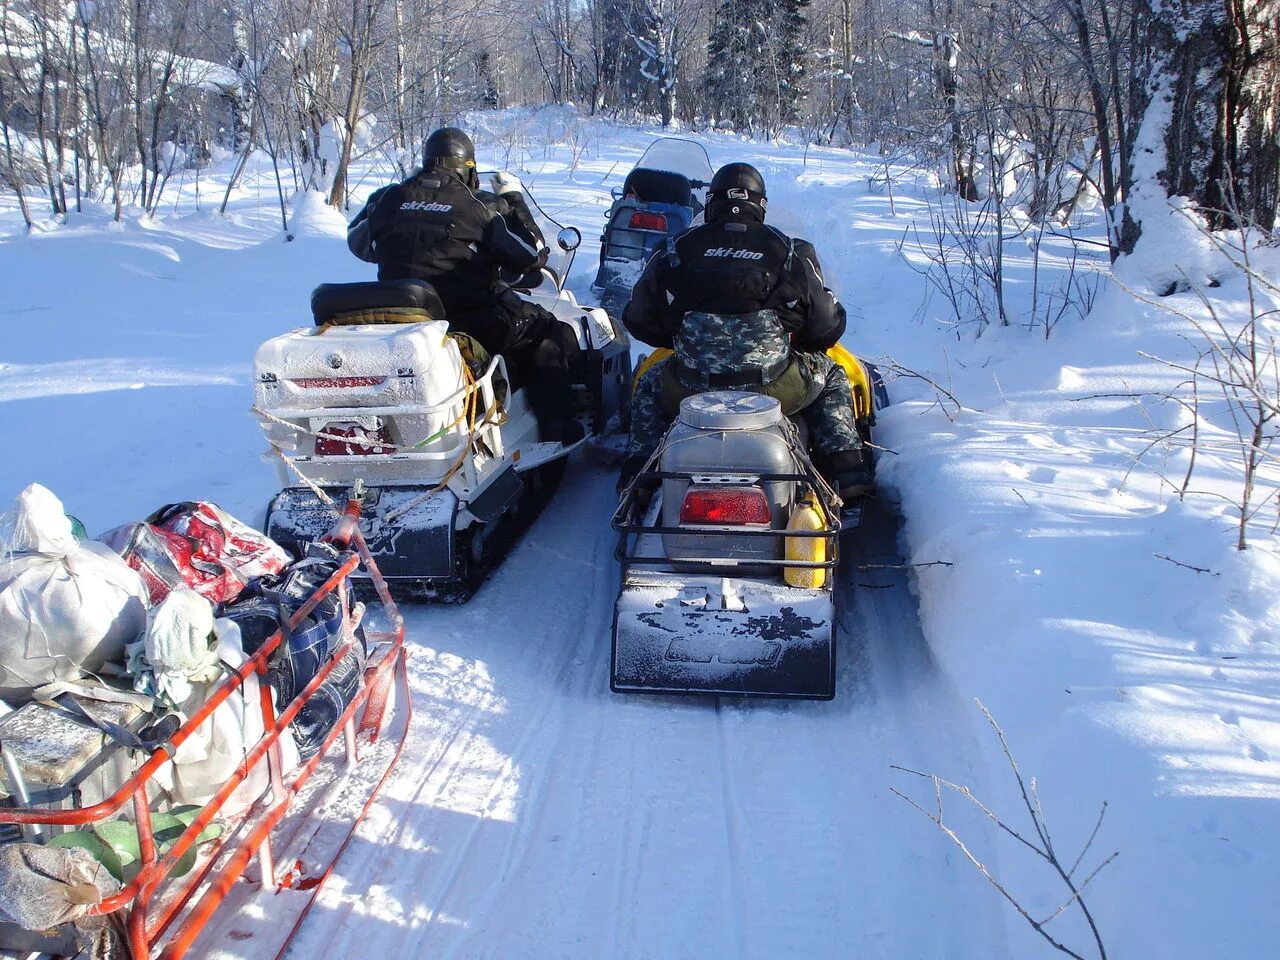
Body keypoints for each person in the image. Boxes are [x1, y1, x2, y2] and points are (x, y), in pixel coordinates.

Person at [619, 161, 873, 500]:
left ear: (711, 204)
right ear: (761, 206)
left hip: (689, 388)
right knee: (833, 377)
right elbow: (826, 328)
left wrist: (678, 331)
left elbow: (637, 319)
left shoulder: (673, 249)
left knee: (650, 382)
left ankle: (639, 472)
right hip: (775, 389)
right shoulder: (791, 251)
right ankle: (846, 464)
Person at [347, 126, 583, 444]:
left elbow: (357, 242)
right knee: (545, 329)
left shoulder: (390, 198)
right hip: (470, 319)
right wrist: (513, 200)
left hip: (402, 321)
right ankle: (558, 427)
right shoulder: (477, 206)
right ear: (467, 167)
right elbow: (531, 255)